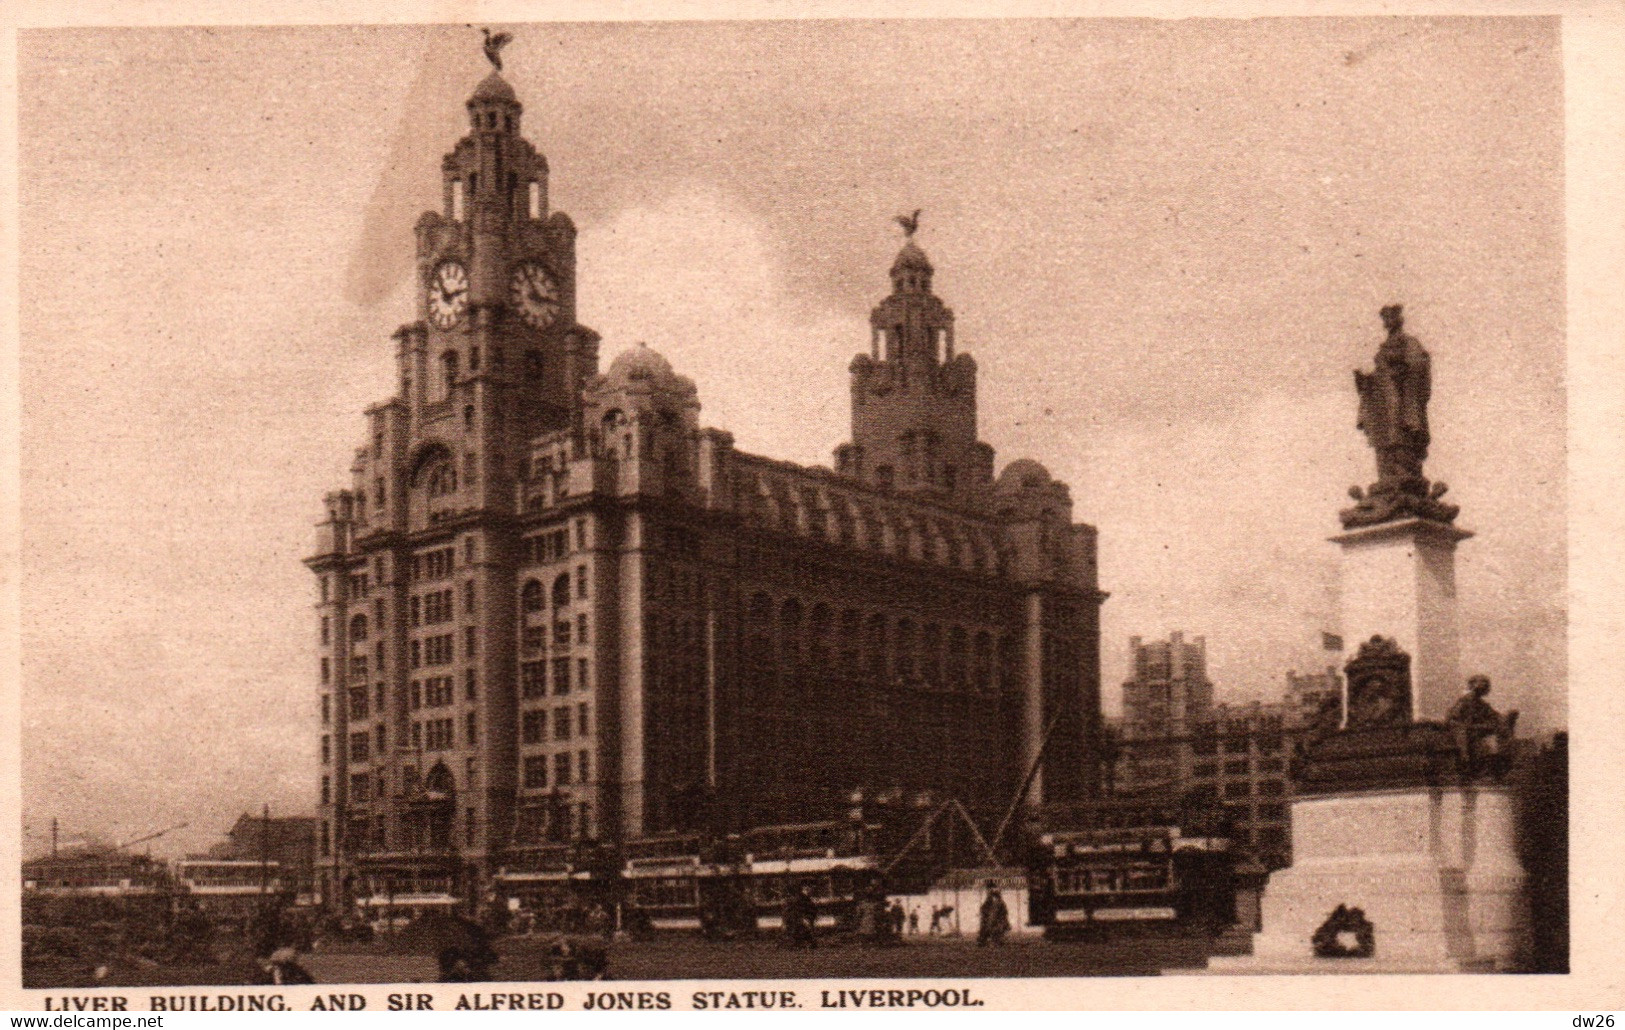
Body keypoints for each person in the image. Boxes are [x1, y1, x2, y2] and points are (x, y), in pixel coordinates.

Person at [783, 882, 818, 950]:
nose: (808, 891)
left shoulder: (807, 899)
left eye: (808, 889)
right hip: (798, 920)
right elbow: (797, 910)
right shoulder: (799, 899)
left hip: (804, 919)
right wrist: (803, 918)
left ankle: (805, 944)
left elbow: (811, 909)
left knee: (806, 932)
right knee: (801, 932)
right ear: (802, 890)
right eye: (806, 889)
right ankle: (799, 944)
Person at [977, 882, 1010, 947]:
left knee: (993, 928)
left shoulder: (997, 900)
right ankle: (985, 941)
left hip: (995, 918)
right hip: (990, 917)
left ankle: (994, 941)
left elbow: (1000, 910)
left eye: (989, 890)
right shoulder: (990, 899)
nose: (988, 891)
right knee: (987, 928)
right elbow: (985, 908)